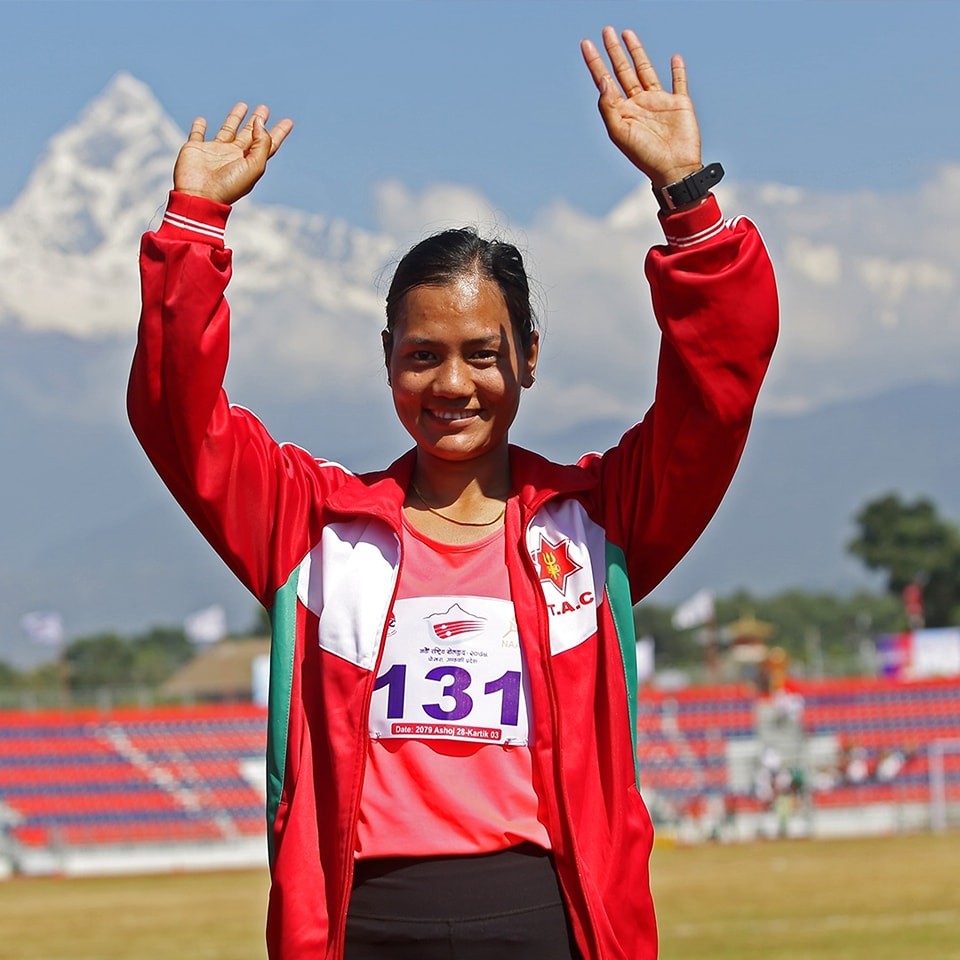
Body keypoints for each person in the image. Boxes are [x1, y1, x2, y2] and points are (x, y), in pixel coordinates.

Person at [128, 26, 778, 960]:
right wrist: (194, 223)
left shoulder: (601, 520)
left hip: (547, 921)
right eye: (422, 356)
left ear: (530, 360)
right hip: (360, 927)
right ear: (387, 365)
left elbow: (719, 392)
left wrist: (687, 199)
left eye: (483, 353)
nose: (454, 384)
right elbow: (172, 413)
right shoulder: (310, 524)